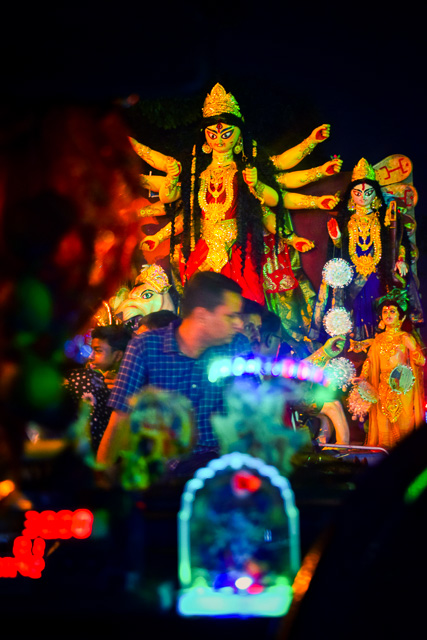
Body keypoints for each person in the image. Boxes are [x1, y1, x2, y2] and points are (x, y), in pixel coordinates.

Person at [132, 83, 342, 343]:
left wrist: (309, 144)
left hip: (240, 250)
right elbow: (180, 211)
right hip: (203, 251)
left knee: (244, 305)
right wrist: (160, 235)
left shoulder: (248, 169)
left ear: (239, 136)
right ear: (205, 138)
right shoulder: (197, 173)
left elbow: (274, 198)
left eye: (226, 134)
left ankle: (247, 354)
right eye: (212, 134)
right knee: (200, 306)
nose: (219, 139)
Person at [96, 272, 250, 468]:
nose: (239, 324)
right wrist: (102, 478)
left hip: (216, 469)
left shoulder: (237, 347)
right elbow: (120, 420)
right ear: (202, 316)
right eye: (231, 316)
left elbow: (251, 413)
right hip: (158, 468)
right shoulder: (145, 346)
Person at [311, 158, 420, 351]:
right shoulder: (345, 220)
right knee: (354, 305)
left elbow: (396, 242)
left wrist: (400, 259)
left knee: (377, 303)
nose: (362, 197)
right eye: (357, 193)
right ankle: (356, 341)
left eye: (368, 193)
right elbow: (339, 248)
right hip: (352, 272)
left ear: (375, 195)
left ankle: (380, 341)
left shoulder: (383, 217)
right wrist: (336, 237)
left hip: (378, 270)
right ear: (351, 195)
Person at [352, 291, 425, 449]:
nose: (388, 314)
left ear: (401, 317)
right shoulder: (378, 339)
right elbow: (370, 361)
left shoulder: (406, 337)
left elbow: (421, 361)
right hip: (382, 388)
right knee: (383, 427)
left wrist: (413, 349)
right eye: (385, 312)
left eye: (392, 311)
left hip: (403, 388)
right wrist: (363, 376)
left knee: (405, 424)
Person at [64, 324, 132, 452]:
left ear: (118, 355)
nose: (91, 356)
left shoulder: (88, 381)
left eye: (98, 351)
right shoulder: (97, 378)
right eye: (92, 350)